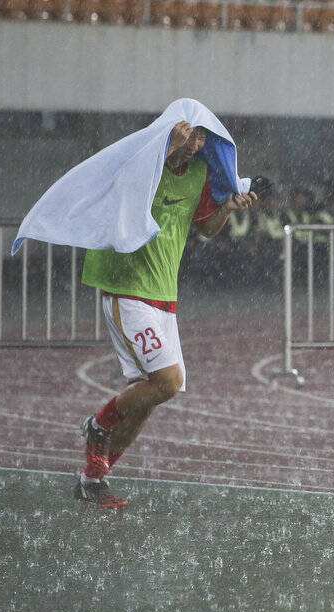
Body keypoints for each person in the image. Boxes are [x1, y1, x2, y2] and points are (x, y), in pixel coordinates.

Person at [78, 121, 258, 509]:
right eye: (188, 134)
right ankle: (98, 425)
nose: (194, 144)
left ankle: (92, 481)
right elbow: (116, 186)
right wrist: (161, 148)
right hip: (128, 291)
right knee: (168, 382)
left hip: (165, 297)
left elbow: (207, 229)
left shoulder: (198, 175)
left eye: (200, 138)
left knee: (149, 398)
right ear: (170, 133)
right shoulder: (145, 167)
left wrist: (226, 207)